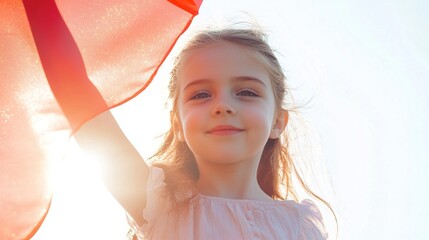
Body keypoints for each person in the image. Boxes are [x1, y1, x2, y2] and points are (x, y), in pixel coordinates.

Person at [24, 1, 332, 239]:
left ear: (278, 121)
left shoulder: (300, 226)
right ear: (177, 125)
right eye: (200, 95)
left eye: (246, 92)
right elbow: (74, 88)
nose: (223, 105)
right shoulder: (160, 204)